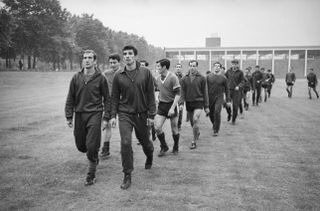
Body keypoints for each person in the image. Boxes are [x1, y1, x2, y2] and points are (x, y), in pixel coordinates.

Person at [110, 45, 156, 190]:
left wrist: (151, 115)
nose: (127, 56)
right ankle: (127, 174)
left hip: (142, 114)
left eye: (130, 54)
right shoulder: (118, 75)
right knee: (125, 142)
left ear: (135, 56)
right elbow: (115, 98)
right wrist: (112, 116)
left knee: (145, 142)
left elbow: (150, 95)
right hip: (125, 114)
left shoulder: (146, 73)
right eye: (125, 54)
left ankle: (150, 154)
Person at [65, 50, 111, 186]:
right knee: (81, 146)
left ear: (95, 61)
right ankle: (93, 157)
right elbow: (70, 98)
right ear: (82, 60)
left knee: (91, 147)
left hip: (95, 114)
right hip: (79, 114)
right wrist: (69, 116)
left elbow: (107, 99)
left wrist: (106, 117)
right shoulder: (76, 78)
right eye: (85, 58)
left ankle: (91, 175)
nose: (87, 60)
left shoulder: (101, 78)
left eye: (90, 58)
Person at [179, 60, 209, 149]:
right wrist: (181, 103)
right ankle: (197, 132)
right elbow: (182, 92)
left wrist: (206, 106)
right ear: (189, 66)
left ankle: (193, 141)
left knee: (195, 119)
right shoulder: (184, 78)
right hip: (189, 102)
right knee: (193, 123)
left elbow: (205, 92)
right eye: (191, 65)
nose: (192, 67)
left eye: (194, 66)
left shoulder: (202, 78)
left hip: (199, 101)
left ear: (197, 67)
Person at [154, 59, 181, 156]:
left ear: (164, 67)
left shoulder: (173, 77)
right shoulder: (157, 78)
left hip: (172, 105)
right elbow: (157, 89)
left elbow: (178, 94)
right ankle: (164, 146)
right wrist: (157, 97)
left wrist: (172, 108)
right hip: (162, 105)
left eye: (158, 66)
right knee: (157, 127)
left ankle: (176, 147)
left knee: (174, 128)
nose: (157, 68)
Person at [100, 54, 121, 159]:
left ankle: (125, 146)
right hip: (108, 101)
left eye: (114, 62)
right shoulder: (105, 74)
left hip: (121, 102)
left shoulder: (123, 73)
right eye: (111, 63)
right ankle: (106, 148)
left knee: (123, 125)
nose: (112, 65)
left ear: (119, 62)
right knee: (107, 124)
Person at [207, 62, 230, 136]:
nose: (217, 67)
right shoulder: (208, 77)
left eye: (218, 66)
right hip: (210, 97)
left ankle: (216, 130)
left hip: (219, 97)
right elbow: (204, 88)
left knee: (217, 112)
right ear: (213, 67)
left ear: (220, 68)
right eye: (215, 66)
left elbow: (227, 89)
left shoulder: (223, 78)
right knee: (211, 113)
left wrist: (228, 100)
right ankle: (214, 124)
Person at [225, 59, 244, 124]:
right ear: (231, 64)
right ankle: (229, 114)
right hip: (229, 90)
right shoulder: (228, 71)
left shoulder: (240, 72)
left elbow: (242, 81)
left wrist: (238, 86)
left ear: (237, 64)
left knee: (235, 106)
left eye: (236, 64)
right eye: (233, 64)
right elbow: (224, 79)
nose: (234, 65)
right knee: (226, 104)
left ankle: (233, 120)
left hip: (236, 91)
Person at [175, 63, 184, 131]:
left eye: (179, 67)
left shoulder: (183, 77)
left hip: (180, 96)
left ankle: (179, 124)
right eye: (177, 67)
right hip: (173, 95)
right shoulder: (172, 76)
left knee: (181, 110)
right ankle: (175, 123)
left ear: (181, 68)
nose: (178, 68)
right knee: (174, 110)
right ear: (175, 68)